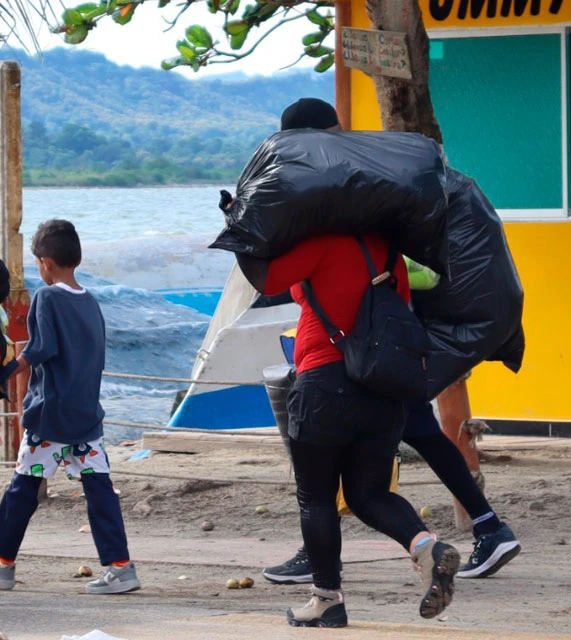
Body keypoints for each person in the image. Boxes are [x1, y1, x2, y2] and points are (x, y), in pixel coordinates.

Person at [261, 98, 520, 587]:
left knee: (326, 477)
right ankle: (478, 527)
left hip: (356, 354)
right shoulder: (367, 183)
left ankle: (321, 568)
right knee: (404, 445)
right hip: (388, 350)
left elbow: (275, 277)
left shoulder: (339, 198)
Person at [228, 117, 459, 630]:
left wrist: (239, 225)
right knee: (369, 494)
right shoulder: (387, 250)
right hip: (381, 392)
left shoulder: (323, 242)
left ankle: (327, 600)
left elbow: (266, 277)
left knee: (316, 497)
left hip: (325, 382)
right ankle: (427, 546)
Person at [0, 219, 140, 595]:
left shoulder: (47, 297)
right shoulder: (91, 302)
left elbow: (39, 350)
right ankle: (120, 566)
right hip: (86, 417)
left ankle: (2, 563)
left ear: (45, 263)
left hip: (51, 418)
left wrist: (1, 373)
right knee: (99, 489)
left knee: (23, 487)